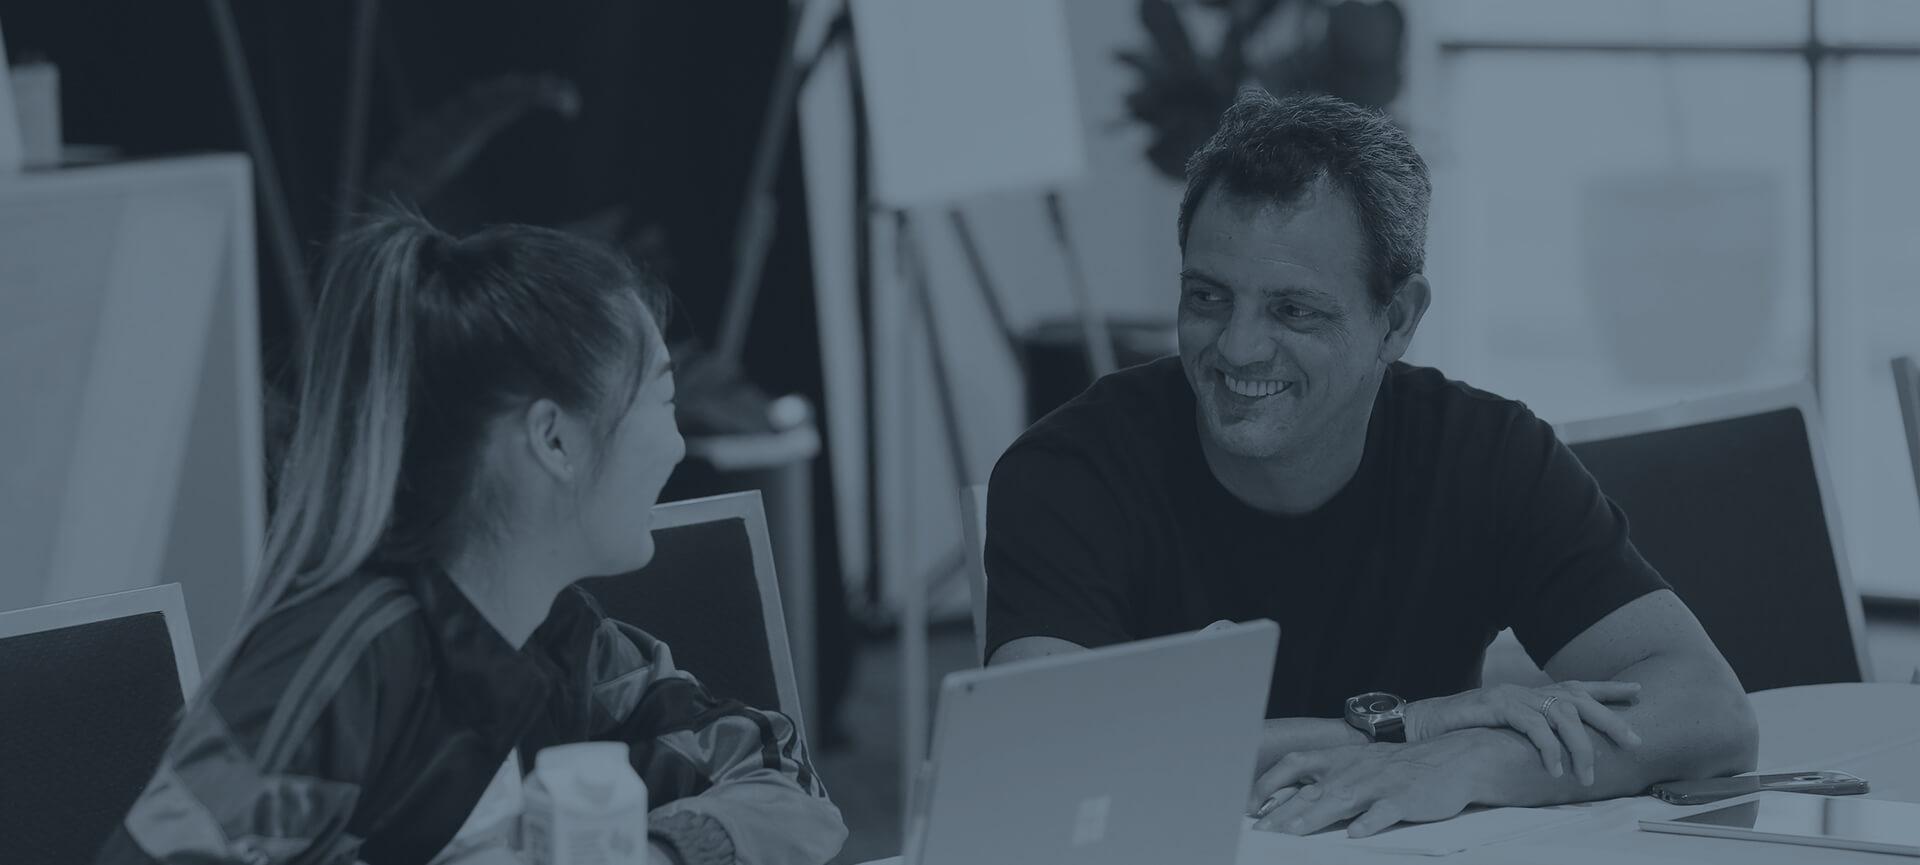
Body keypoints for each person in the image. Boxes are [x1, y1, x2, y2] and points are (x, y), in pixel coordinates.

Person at [984, 90, 1757, 838]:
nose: (1237, 347)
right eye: (1209, 297)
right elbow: (1040, 761)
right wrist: (1408, 728)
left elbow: (1708, 708)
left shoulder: (1483, 451)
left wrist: (1477, 759)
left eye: (1293, 310)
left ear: (1397, 319)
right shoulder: (1071, 469)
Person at [95, 209, 846, 865]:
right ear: (554, 440)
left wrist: (655, 850)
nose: (680, 446)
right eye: (663, 398)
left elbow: (788, 783)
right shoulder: (341, 659)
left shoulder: (560, 640)